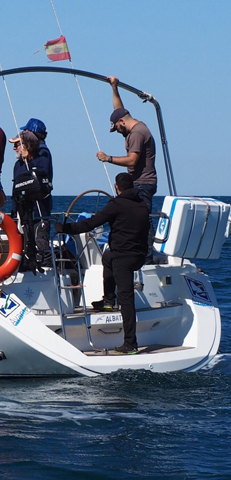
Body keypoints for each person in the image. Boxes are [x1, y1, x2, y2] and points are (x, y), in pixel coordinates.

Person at [54, 173, 150, 354]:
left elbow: (90, 224)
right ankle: (108, 300)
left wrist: (65, 228)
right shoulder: (142, 206)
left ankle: (130, 344)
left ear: (116, 187)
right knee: (107, 257)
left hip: (123, 258)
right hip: (138, 256)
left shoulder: (116, 204)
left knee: (126, 299)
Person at [96, 76, 156, 264]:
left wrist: (108, 158)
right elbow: (118, 109)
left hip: (143, 184)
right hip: (138, 183)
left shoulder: (137, 133)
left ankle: (146, 259)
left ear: (122, 122)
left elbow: (132, 160)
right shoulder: (131, 124)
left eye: (116, 128)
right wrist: (114, 87)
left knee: (143, 221)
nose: (118, 131)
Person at [10, 131, 53, 271]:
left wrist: (30, 161)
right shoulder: (18, 165)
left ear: (26, 146)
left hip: (39, 212)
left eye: (17, 144)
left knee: (41, 244)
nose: (14, 148)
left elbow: (42, 182)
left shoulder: (42, 161)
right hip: (22, 213)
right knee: (22, 244)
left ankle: (46, 271)